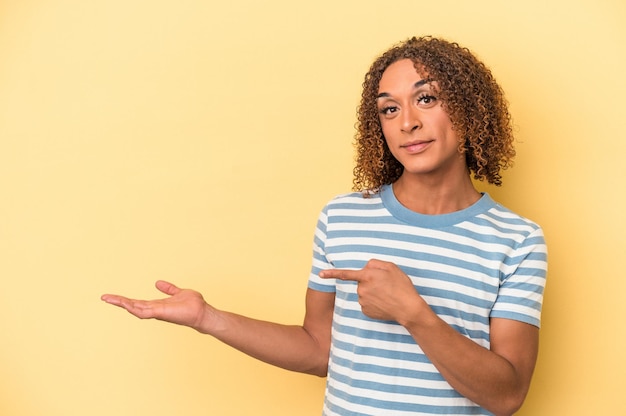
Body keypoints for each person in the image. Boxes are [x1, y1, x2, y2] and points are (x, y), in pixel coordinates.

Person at [101, 36, 547, 416]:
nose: (407, 122)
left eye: (426, 98)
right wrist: (207, 318)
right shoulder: (343, 217)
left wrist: (413, 313)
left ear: (469, 110)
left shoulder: (518, 240)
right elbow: (319, 349)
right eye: (389, 109)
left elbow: (506, 395)